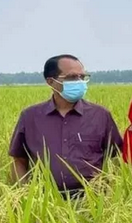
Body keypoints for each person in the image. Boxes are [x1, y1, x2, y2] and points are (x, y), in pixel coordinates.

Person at [8, 54, 122, 197]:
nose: (79, 82)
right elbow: (18, 160)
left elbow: (116, 159)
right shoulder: (30, 117)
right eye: (72, 77)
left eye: (82, 77)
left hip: (92, 200)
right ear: (51, 82)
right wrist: (26, 197)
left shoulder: (100, 115)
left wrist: (110, 194)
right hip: (45, 201)